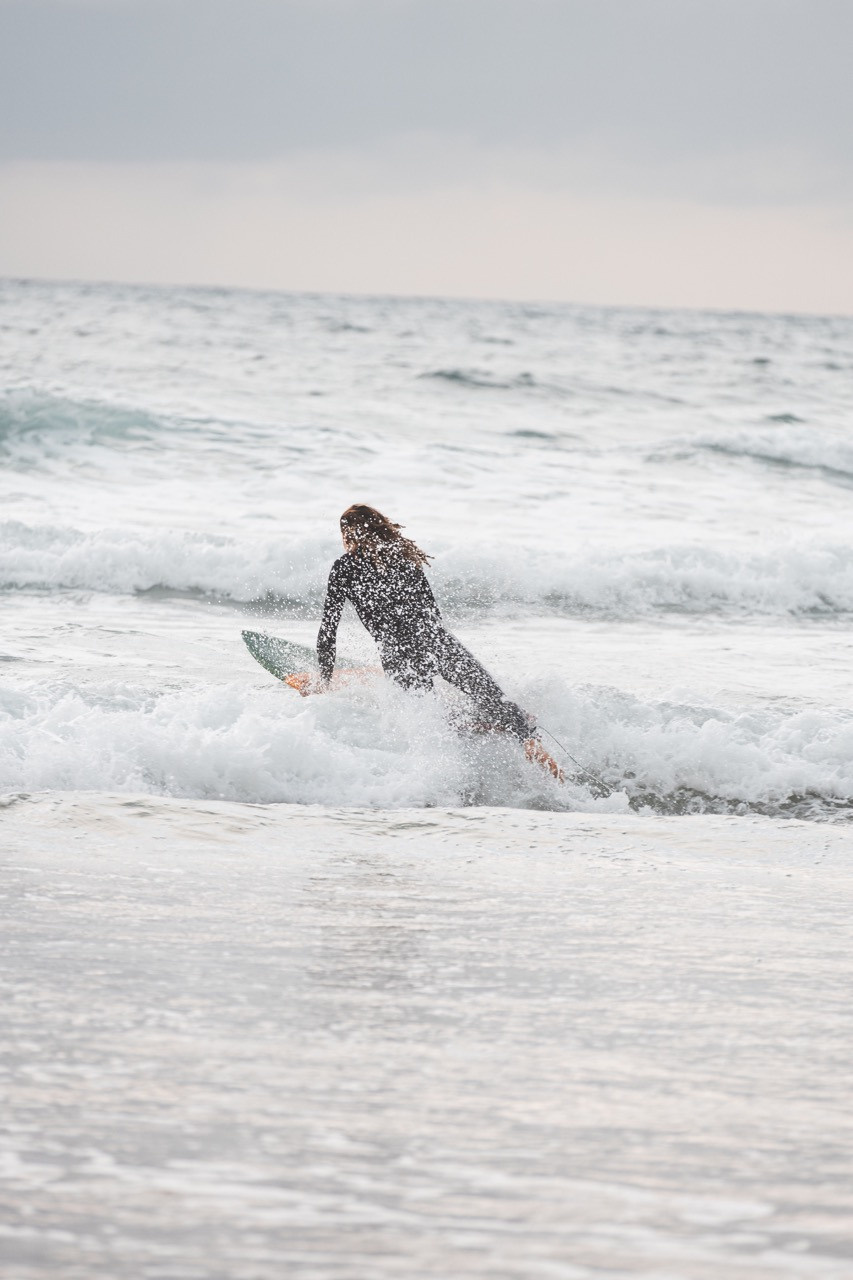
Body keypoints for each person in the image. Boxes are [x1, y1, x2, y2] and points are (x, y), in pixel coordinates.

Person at [317, 504, 562, 778]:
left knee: (430, 720)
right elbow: (433, 612)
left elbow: (329, 630)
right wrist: (434, 649)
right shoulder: (403, 558)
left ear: (348, 533)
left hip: (398, 655)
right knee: (491, 697)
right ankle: (527, 738)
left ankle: (473, 727)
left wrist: (324, 681)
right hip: (438, 643)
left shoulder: (344, 567)